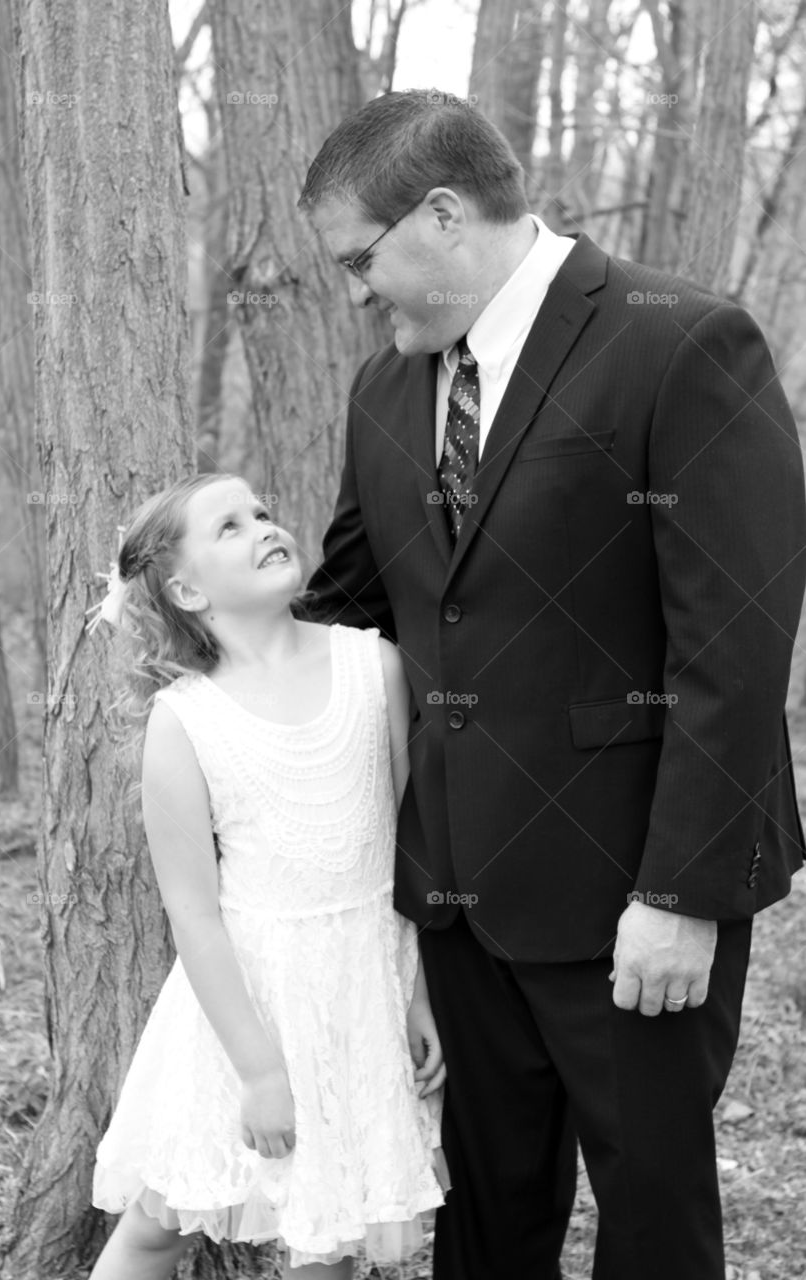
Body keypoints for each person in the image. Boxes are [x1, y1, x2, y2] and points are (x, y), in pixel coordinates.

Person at [298, 89, 806, 1280]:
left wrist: (680, 892)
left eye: (361, 261)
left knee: (651, 1220)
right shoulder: (384, 392)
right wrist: (194, 648)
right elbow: (349, 610)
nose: (355, 293)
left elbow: (732, 643)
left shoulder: (679, 340)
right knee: (483, 1219)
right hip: (456, 897)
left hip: (630, 889)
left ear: (442, 213)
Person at [85, 473, 447, 1280]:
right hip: (241, 1009)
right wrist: (257, 1071)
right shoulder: (186, 720)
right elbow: (194, 914)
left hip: (361, 990)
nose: (262, 528)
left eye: (262, 513)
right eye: (229, 527)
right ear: (185, 588)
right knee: (160, 1219)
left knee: (328, 1236)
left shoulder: (372, 666)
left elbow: (408, 843)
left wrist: (418, 991)